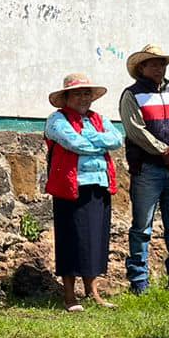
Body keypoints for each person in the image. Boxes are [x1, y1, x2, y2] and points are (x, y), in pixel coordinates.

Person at [119, 43, 169, 299]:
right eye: (153, 63)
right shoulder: (131, 95)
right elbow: (135, 130)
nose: (159, 67)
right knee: (142, 226)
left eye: (162, 63)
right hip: (147, 169)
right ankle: (139, 279)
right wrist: (163, 150)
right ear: (141, 68)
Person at [44, 73, 125, 311]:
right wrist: (99, 144)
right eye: (78, 93)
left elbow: (116, 140)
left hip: (98, 185)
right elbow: (72, 143)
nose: (83, 98)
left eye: (86, 93)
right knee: (71, 237)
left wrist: (90, 137)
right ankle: (69, 295)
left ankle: (93, 291)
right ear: (67, 97)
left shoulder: (98, 119)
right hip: (71, 186)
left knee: (95, 239)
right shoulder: (56, 120)